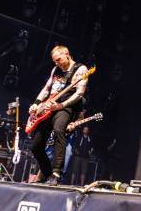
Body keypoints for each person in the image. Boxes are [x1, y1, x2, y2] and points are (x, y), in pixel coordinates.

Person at [29, 45, 88, 185]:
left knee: (58, 130)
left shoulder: (80, 69)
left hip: (65, 107)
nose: (56, 63)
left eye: (59, 59)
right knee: (36, 146)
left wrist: (61, 105)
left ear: (67, 54)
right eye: (54, 61)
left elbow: (79, 93)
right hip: (49, 107)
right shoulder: (56, 69)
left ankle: (56, 172)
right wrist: (37, 103)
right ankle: (46, 172)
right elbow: (47, 88)